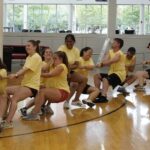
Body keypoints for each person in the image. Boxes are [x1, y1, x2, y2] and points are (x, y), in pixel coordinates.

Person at [0, 40, 42, 129]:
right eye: (26, 46)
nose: (27, 47)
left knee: (14, 99)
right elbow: (24, 70)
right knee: (4, 92)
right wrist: (14, 75)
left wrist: (15, 75)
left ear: (35, 47)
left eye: (29, 45)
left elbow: (24, 70)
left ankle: (8, 122)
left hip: (32, 87)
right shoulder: (29, 57)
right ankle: (3, 116)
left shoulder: (36, 57)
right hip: (25, 85)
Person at [23, 51, 70, 120]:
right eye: (53, 58)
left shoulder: (62, 66)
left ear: (61, 59)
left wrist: (37, 74)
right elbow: (44, 69)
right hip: (55, 91)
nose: (53, 60)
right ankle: (36, 110)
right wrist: (50, 61)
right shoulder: (52, 65)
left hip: (63, 92)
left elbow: (50, 75)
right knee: (40, 93)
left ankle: (34, 113)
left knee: (42, 92)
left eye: (55, 58)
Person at [19, 47, 54, 116]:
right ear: (43, 55)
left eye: (50, 52)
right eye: (47, 52)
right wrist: (52, 60)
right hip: (39, 84)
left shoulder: (52, 65)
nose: (49, 53)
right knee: (40, 97)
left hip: (47, 84)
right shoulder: (42, 63)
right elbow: (44, 68)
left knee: (50, 93)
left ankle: (44, 106)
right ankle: (26, 108)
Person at [58, 34, 87, 109]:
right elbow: (60, 63)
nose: (68, 43)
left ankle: (75, 100)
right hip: (61, 71)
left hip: (70, 71)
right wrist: (69, 67)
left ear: (74, 42)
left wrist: (69, 68)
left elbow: (77, 64)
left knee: (83, 80)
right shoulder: (61, 48)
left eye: (70, 41)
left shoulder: (76, 50)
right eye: (67, 41)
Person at [94, 38, 126, 102]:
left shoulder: (119, 53)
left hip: (119, 74)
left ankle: (103, 97)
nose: (112, 43)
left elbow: (111, 61)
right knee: (96, 76)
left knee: (105, 79)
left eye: (114, 42)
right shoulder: (110, 51)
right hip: (111, 73)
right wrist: (102, 63)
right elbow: (105, 60)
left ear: (118, 44)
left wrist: (102, 64)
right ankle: (97, 93)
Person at [0, 58, 7, 131]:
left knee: (3, 97)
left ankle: (0, 119)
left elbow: (1, 76)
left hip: (1, 92)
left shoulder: (3, 70)